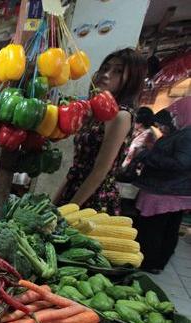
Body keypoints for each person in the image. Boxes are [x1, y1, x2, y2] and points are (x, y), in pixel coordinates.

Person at [55, 48, 147, 215]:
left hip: (93, 198)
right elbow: (77, 168)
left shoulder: (121, 115)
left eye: (118, 71)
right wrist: (55, 204)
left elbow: (100, 171)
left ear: (132, 79)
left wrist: (67, 212)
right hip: (75, 189)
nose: (107, 74)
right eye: (105, 68)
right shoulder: (96, 112)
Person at [132, 109, 191, 273]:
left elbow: (181, 163)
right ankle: (155, 263)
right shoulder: (179, 134)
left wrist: (146, 155)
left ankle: (150, 263)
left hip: (167, 192)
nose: (173, 119)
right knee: (165, 229)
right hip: (169, 190)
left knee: (155, 229)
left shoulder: (187, 136)